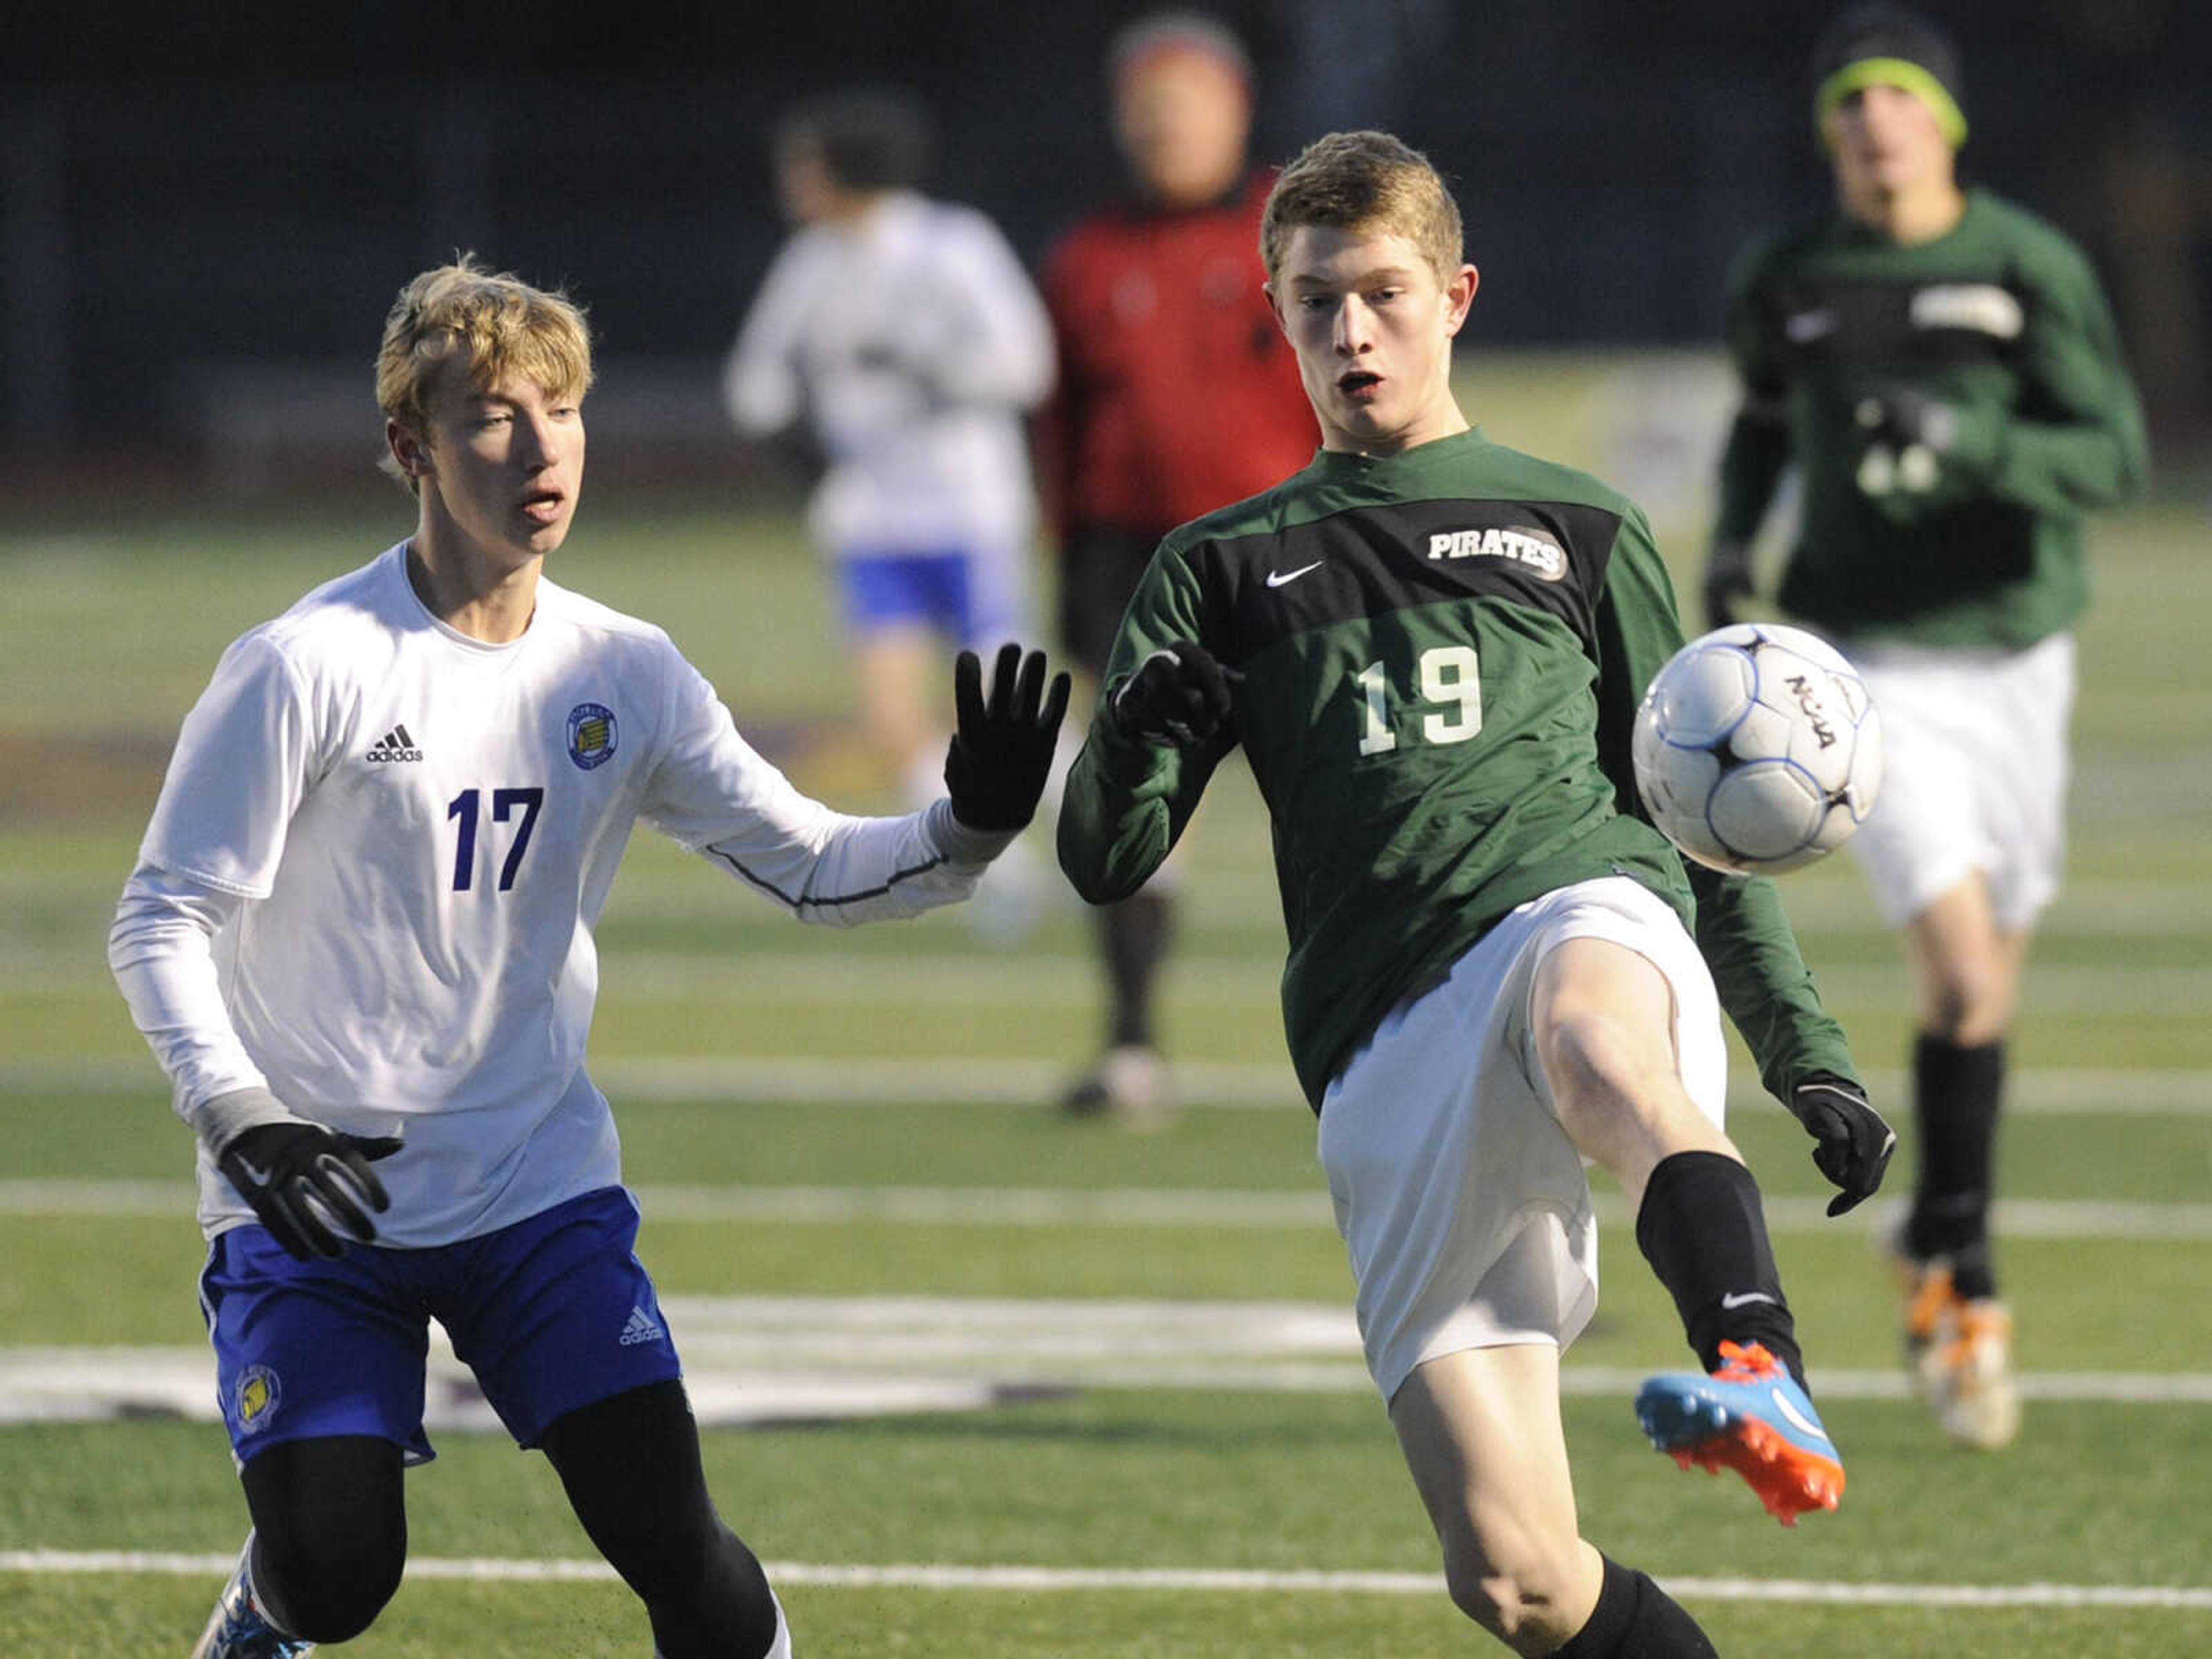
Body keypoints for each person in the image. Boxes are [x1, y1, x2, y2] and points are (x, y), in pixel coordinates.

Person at [109, 257, 1067, 1659]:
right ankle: (267, 1608)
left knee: (672, 1541)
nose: (540, 446)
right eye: (493, 415)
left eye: (562, 410)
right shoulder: (305, 662)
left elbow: (807, 865)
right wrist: (241, 1112)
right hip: (316, 1198)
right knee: (337, 1571)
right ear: (410, 449)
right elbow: (161, 916)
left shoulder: (627, 671)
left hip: (531, 1187)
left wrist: (968, 827)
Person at [1058, 131, 1896, 1658]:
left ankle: (1755, 1357)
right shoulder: (1217, 570)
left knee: (1595, 1043)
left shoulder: (1580, 527)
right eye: (1315, 302)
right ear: (1278, 311)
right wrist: (1135, 730)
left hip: (1569, 914)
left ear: (1455, 296)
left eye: (1382, 293)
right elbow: (1107, 861)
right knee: (1517, 1580)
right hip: (1383, 1038)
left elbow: (1699, 824)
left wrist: (1809, 1054)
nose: (1350, 332)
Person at [1702, 4, 2149, 1450]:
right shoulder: (1792, 278)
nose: (1874, 123)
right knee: (1957, 973)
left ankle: (1934, 1240)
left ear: (1942, 121)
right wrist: (1729, 548)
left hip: (2017, 655)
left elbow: (2118, 454)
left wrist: (1980, 447)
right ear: (1828, 129)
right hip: (1860, 675)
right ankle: (1969, 1277)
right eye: (1849, 102)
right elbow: (1765, 421)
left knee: (1989, 990)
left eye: (1897, 98)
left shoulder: (2024, 267)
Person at [1036, 12, 1314, 1120]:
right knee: (1142, 805)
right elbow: (1059, 426)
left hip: (1284, 554)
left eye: (1187, 101)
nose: (1166, 125)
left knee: (1347, 797)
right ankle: (1133, 1048)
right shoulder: (1085, 258)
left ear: (1236, 110)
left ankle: (1405, 1036)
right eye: (1148, 106)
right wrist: (1067, 563)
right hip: (1137, 566)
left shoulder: (1296, 235)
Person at [724, 88, 1057, 937]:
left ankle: (1107, 820)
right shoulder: (812, 263)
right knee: (889, 710)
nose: (793, 182)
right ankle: (1000, 869)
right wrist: (811, 460)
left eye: (806, 165)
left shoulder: (954, 247)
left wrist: (928, 371)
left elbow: (1026, 364)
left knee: (1002, 702)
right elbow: (755, 384)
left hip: (969, 508)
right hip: (873, 520)